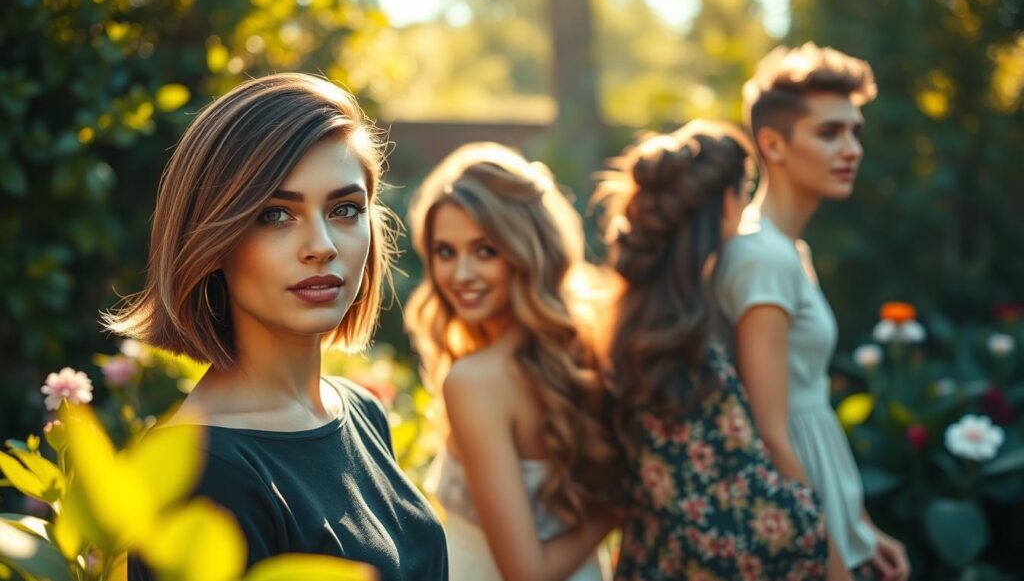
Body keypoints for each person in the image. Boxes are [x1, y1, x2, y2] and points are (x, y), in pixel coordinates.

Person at [108, 73, 447, 580]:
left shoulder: (361, 412)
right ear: (212, 237)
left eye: (345, 209)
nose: (321, 244)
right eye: (275, 215)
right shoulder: (202, 473)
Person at [599, 120, 828, 581]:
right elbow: (751, 519)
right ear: (728, 201)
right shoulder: (683, 350)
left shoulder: (641, 324)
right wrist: (827, 546)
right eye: (744, 191)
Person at [715, 43, 909, 581]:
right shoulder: (762, 259)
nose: (851, 149)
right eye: (829, 133)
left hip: (830, 511)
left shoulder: (789, 252)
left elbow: (811, 407)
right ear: (772, 144)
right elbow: (771, 432)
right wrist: (827, 558)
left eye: (854, 132)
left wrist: (862, 528)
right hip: (798, 533)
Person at [405, 142, 620, 581]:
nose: (461, 274)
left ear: (526, 250)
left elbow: (526, 573)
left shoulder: (474, 380)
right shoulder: (587, 348)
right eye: (446, 252)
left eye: (485, 250)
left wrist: (618, 507)